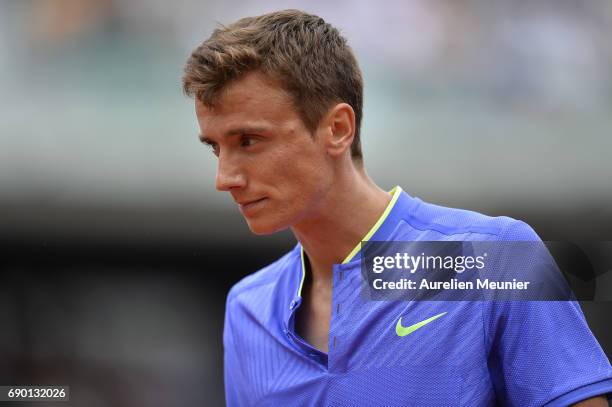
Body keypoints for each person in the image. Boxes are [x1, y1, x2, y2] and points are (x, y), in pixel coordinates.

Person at [182, 9, 612, 406]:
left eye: (249, 141)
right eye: (215, 147)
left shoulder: (491, 258)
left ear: (337, 129)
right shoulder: (247, 307)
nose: (225, 178)